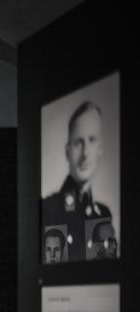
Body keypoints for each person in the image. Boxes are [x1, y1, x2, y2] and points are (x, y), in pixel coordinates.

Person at [42, 101, 112, 262]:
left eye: (92, 140)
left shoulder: (104, 215)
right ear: (67, 151)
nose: (86, 153)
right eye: (78, 143)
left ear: (100, 148)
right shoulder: (48, 210)